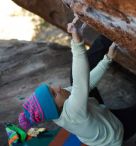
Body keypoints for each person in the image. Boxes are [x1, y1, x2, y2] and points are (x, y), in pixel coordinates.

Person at [18, 15, 124, 146]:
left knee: (77, 82)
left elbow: (86, 84)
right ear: (57, 107)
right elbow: (80, 83)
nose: (57, 88)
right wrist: (77, 42)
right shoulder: (73, 112)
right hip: (113, 137)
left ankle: (106, 37)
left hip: (99, 116)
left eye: (52, 89)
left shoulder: (56, 111)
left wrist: (107, 59)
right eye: (54, 93)